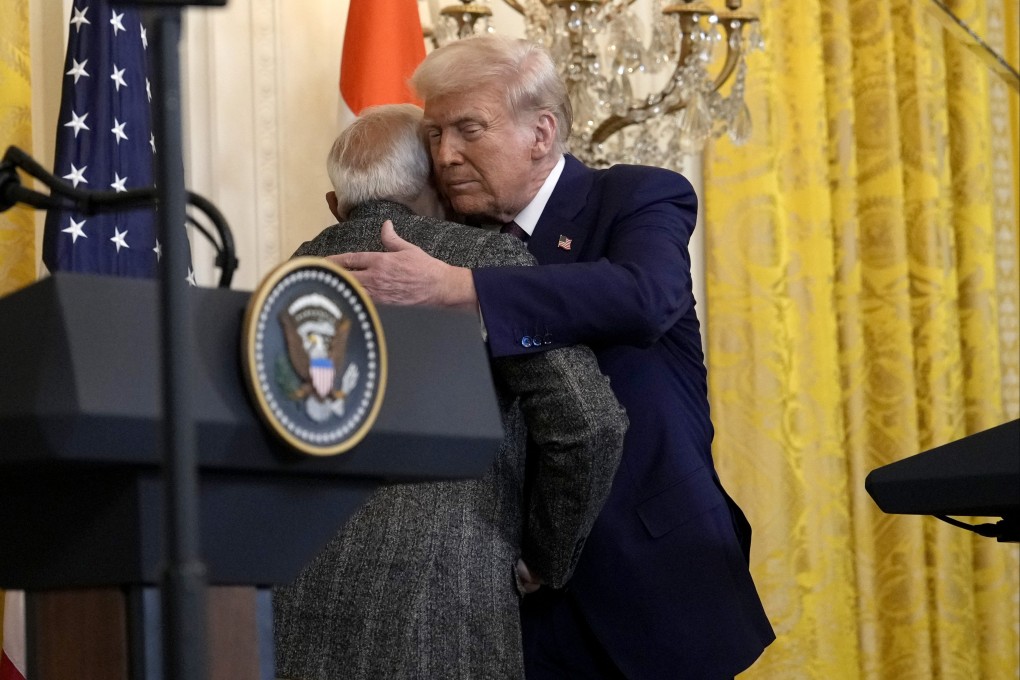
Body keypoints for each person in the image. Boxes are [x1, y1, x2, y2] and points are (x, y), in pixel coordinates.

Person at [330, 36, 776, 679]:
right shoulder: (447, 241)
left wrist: (467, 290)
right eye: (433, 134)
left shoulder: (636, 198)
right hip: (511, 602)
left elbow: (644, 298)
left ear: (541, 133)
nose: (445, 154)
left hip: (653, 583)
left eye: (468, 129)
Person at [272, 103, 628, 680]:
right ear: (438, 184)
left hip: (292, 594)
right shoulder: (483, 259)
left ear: (335, 206)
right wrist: (545, 557)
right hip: (444, 601)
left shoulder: (286, 277)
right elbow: (589, 421)